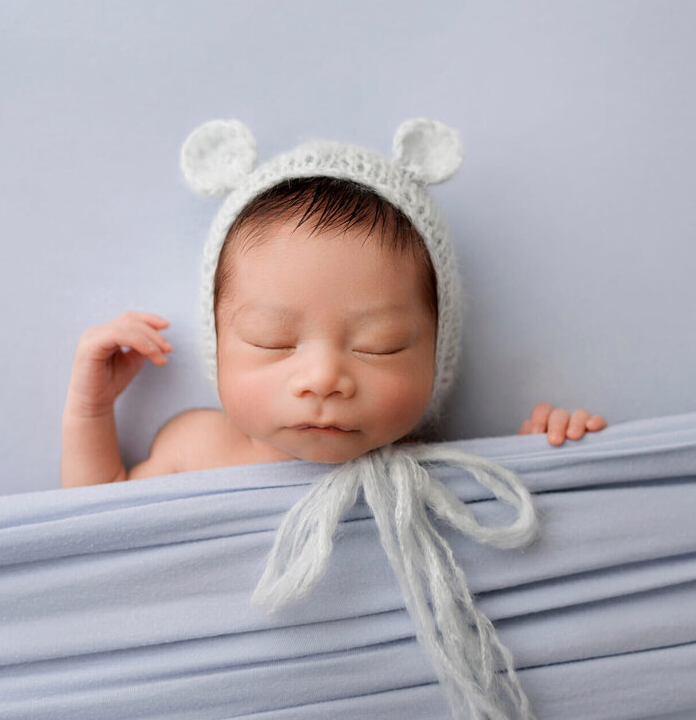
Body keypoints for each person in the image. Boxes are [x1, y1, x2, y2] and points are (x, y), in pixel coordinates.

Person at [61, 119, 606, 488]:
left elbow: (506, 529)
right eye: (271, 340)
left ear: (436, 357)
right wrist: (91, 410)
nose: (323, 379)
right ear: (219, 341)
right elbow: (100, 530)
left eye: (379, 346)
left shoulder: (435, 471)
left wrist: (543, 457)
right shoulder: (195, 449)